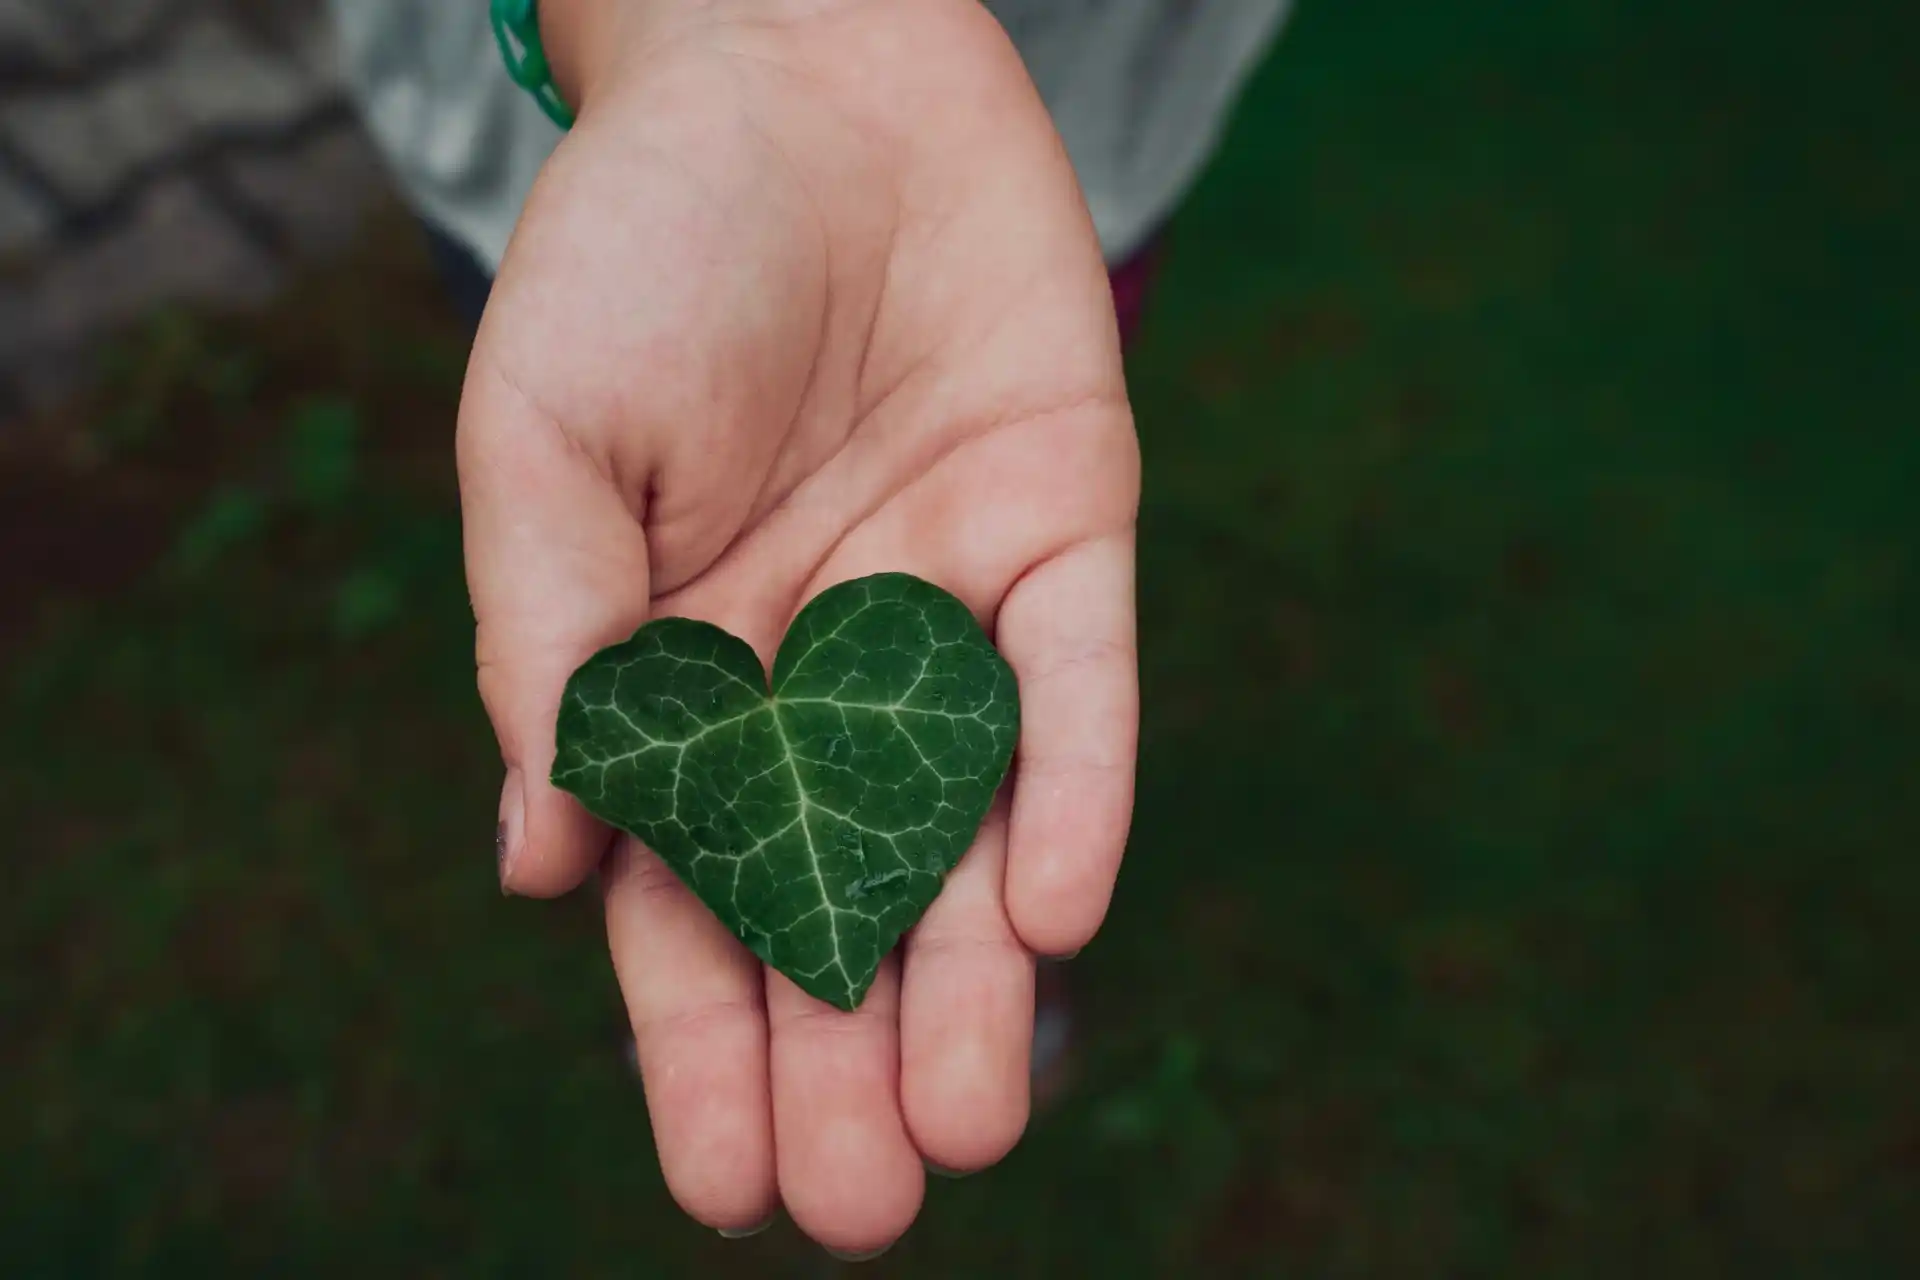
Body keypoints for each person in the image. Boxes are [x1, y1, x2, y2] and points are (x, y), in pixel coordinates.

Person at [324, 0, 1288, 1260]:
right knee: (605, 499)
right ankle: (798, 915)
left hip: (1063, 139)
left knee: (1029, 403)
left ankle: (899, 921)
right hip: (581, 144)